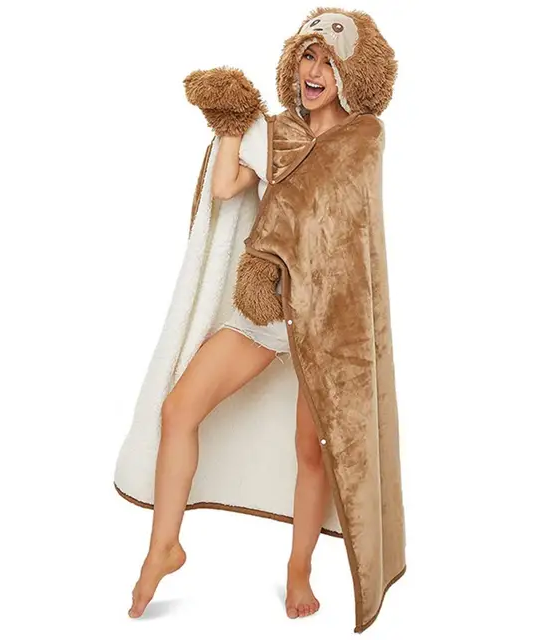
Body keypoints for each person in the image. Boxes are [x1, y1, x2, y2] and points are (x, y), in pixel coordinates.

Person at [128, 40, 351, 621]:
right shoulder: (277, 134)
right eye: (307, 57)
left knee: (311, 451)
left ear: (349, 73)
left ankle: (298, 569)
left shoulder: (361, 141)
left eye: (328, 62)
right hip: (267, 308)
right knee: (179, 409)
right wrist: (232, 121)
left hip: (325, 319)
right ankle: (163, 546)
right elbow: (227, 187)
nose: (314, 71)